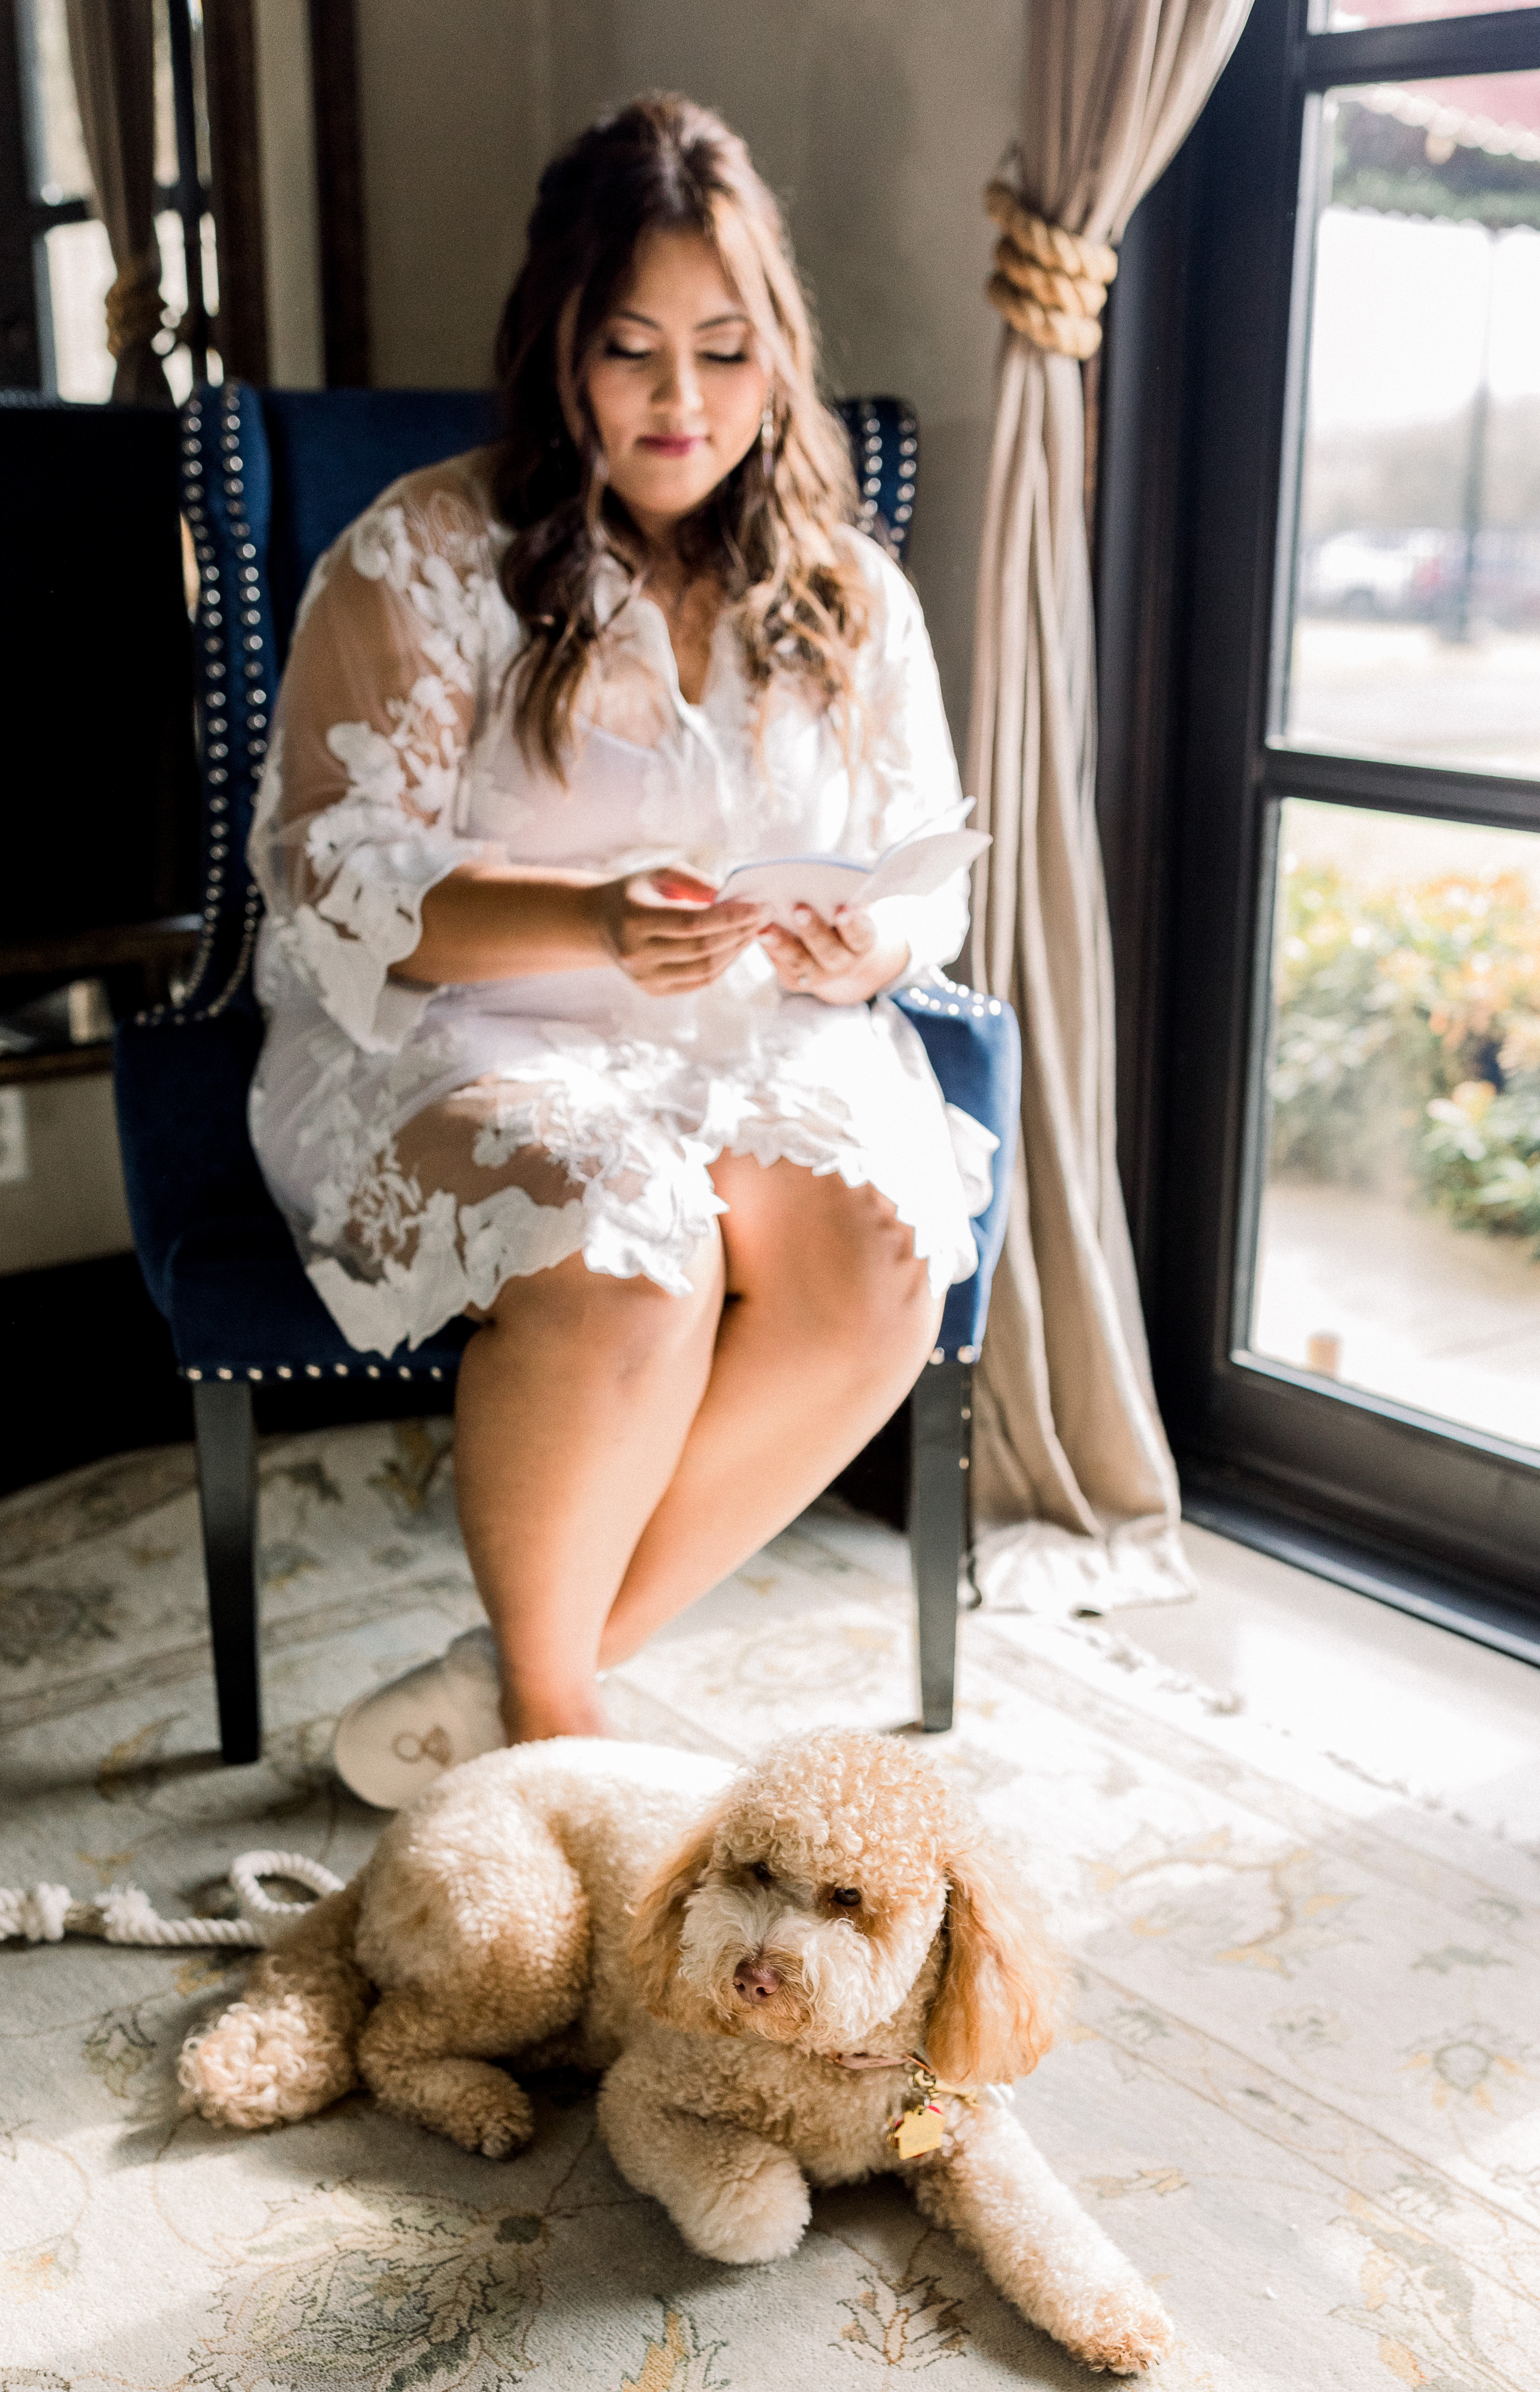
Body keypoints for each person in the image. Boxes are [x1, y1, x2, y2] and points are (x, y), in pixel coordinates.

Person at [247, 92, 989, 1788]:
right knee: (625, 1233)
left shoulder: (848, 590)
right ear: (560, 346)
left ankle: (521, 1678)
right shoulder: (423, 558)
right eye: (633, 350)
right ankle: (563, 1738)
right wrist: (584, 915)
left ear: (776, 355)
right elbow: (339, 881)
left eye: (726, 354)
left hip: (757, 1039)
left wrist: (849, 945)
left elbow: (923, 884)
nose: (680, 404)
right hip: (460, 1035)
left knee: (881, 1256)